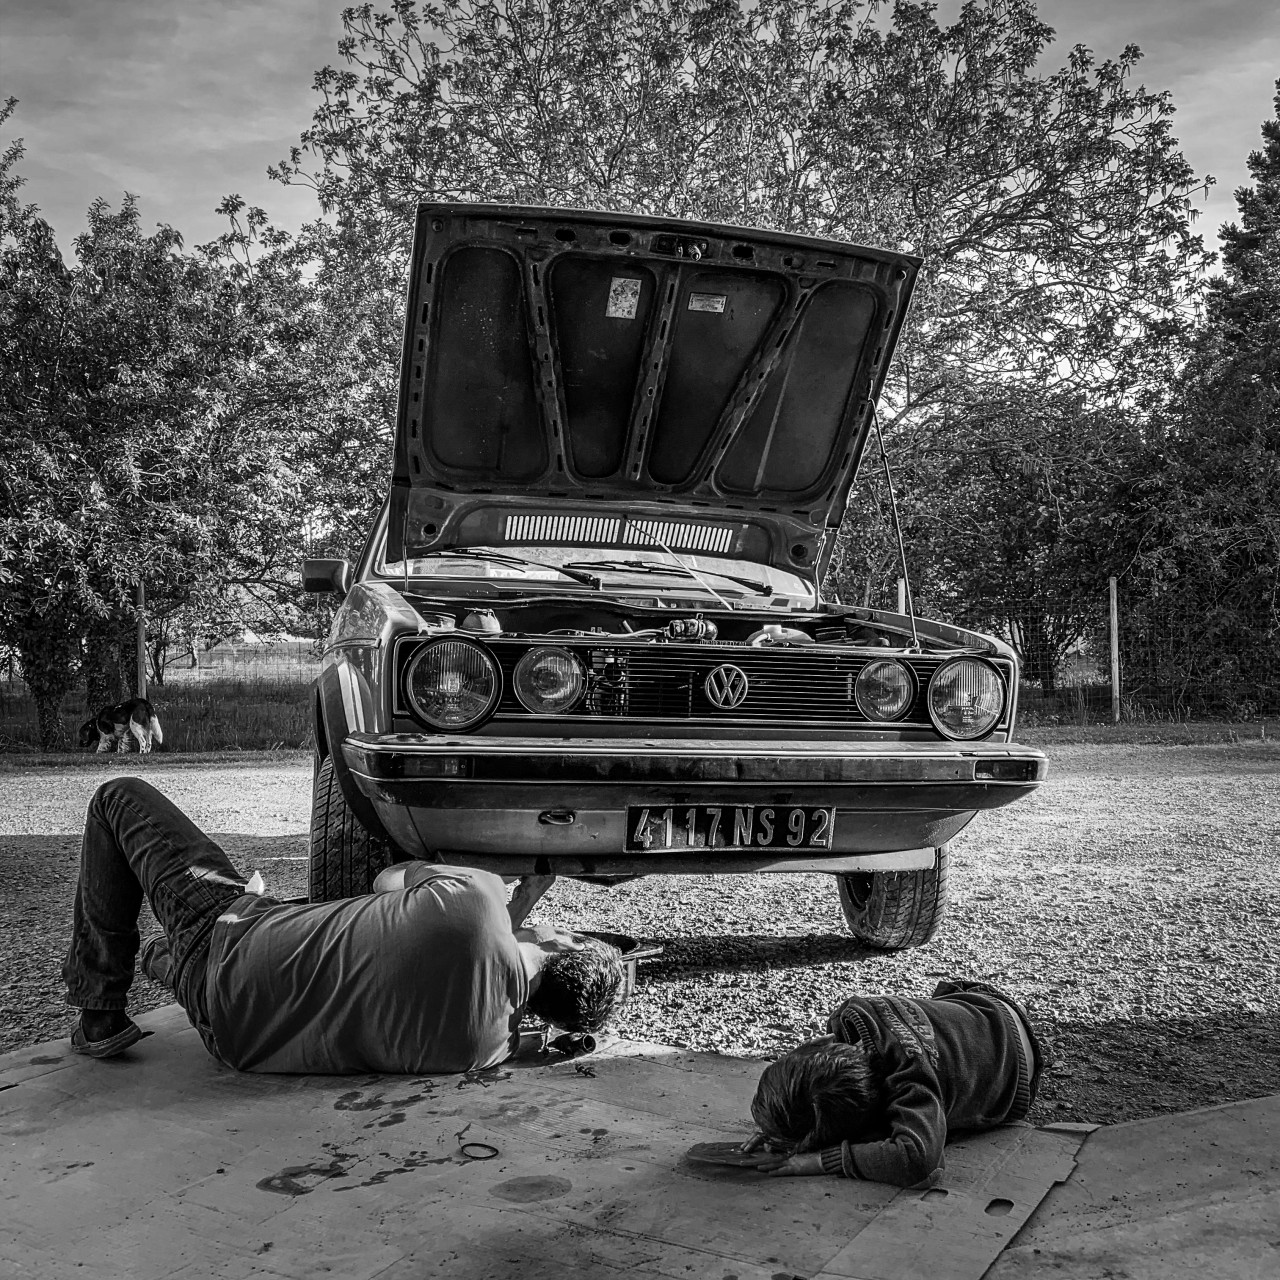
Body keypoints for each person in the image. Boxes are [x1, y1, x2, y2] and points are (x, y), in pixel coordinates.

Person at [62, 777, 625, 1072]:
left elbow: (385, 883)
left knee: (117, 799)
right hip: (227, 1038)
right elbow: (472, 968)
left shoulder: (477, 897)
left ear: (566, 941)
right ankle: (166, 961)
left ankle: (100, 1011)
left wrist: (506, 891)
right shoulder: (488, 1049)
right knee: (323, 949)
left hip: (228, 941)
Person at [741, 980, 1043, 1188]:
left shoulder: (910, 1085)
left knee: (898, 1129)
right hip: (981, 1001)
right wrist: (782, 1125)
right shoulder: (855, 1015)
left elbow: (920, 1164)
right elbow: (813, 1073)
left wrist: (819, 1160)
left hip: (1017, 1074)